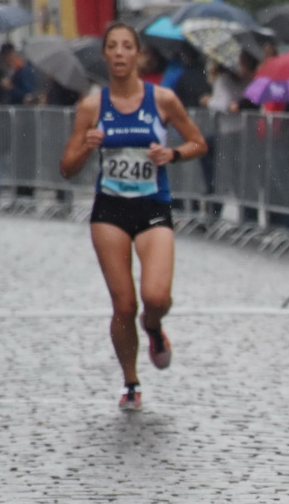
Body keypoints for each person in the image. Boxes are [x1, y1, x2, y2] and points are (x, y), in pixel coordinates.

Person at [58, 22, 207, 411]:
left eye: (127, 46)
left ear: (138, 55)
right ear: (105, 56)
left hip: (153, 204)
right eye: (113, 47)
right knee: (123, 305)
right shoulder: (92, 106)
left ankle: (154, 327)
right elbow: (67, 167)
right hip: (110, 209)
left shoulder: (162, 100)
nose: (120, 53)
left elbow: (198, 142)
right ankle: (130, 382)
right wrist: (88, 147)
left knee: (155, 296)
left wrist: (172, 154)